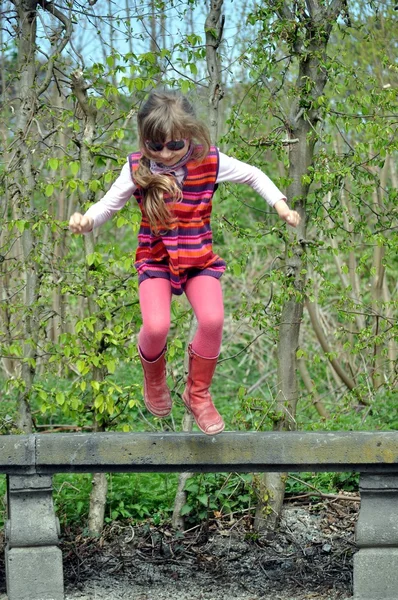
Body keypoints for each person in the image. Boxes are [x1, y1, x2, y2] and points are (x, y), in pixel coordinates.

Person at [69, 90, 301, 436]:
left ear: (189, 136)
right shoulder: (137, 168)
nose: (164, 154)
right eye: (155, 145)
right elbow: (108, 204)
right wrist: (87, 220)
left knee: (212, 319)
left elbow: (254, 174)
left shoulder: (210, 160)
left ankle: (198, 393)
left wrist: (280, 205)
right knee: (157, 327)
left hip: (197, 258)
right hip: (156, 259)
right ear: (144, 140)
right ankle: (155, 378)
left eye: (174, 146)